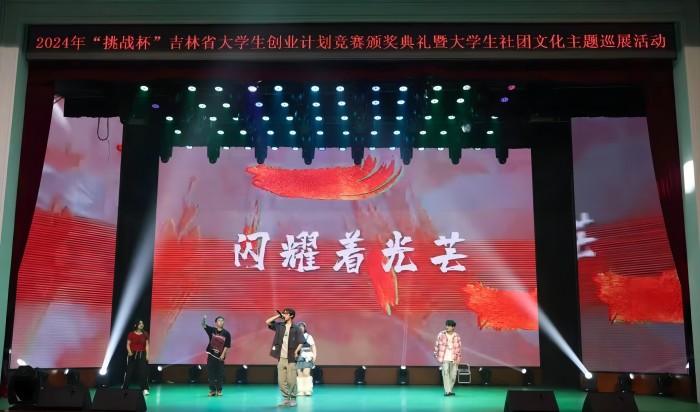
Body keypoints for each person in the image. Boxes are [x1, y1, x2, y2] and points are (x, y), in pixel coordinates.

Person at [265, 308, 305, 407]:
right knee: (281, 380)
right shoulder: (280, 326)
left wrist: (296, 351)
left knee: (292, 380)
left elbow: (301, 341)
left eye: (286, 314)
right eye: (283, 313)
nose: (284, 315)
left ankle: (293, 398)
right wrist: (278, 315)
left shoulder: (296, 328)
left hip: (291, 358)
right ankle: (286, 398)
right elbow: (267, 322)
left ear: (291, 315)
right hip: (281, 358)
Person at [201, 315, 231, 397]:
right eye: (219, 321)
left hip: (220, 358)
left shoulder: (227, 333)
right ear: (216, 322)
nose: (221, 322)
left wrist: (223, 355)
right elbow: (203, 324)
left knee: (220, 374)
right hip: (211, 356)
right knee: (211, 374)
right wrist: (204, 318)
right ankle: (212, 390)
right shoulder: (212, 330)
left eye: (222, 321)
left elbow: (227, 345)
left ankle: (219, 390)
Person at [433, 319, 462, 396]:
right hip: (445, 357)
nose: (447, 327)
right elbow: (437, 345)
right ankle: (447, 391)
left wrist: (458, 358)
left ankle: (449, 389)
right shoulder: (441, 334)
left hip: (454, 358)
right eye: (447, 325)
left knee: (453, 376)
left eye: (449, 326)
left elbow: (459, 348)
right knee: (445, 374)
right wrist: (436, 355)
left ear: (453, 327)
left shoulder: (457, 336)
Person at [122, 319, 150, 396]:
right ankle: (124, 388)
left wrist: (147, 355)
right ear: (136, 325)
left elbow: (147, 345)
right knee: (129, 372)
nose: (142, 324)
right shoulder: (131, 334)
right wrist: (129, 352)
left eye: (142, 323)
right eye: (140, 323)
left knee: (143, 372)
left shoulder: (145, 334)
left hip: (142, 354)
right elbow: (128, 344)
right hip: (132, 354)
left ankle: (145, 389)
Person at [294, 322, 317, 396]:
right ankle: (301, 390)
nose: (301, 328)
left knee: (306, 373)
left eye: (302, 327)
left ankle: (308, 390)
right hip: (298, 357)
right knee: (299, 374)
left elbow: (313, 347)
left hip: (307, 356)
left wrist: (314, 356)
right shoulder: (295, 337)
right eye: (299, 327)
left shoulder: (308, 336)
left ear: (304, 328)